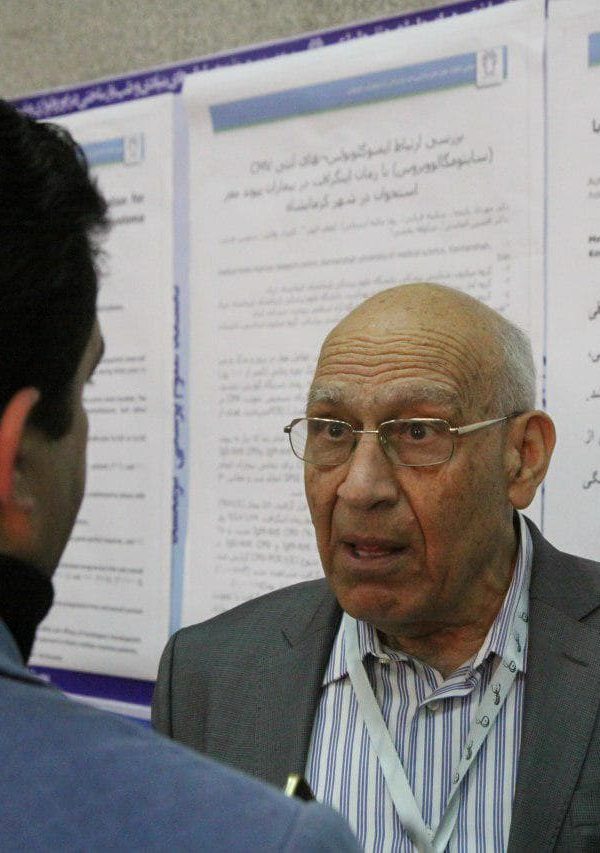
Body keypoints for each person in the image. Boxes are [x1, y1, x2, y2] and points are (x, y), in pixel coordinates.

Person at [0, 98, 361, 852]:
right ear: (15, 457)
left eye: (420, 433)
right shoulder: (257, 838)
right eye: (86, 385)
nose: (363, 486)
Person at [153, 282, 600, 852]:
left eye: (418, 432)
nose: (360, 488)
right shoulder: (208, 675)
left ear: (523, 457)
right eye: (333, 430)